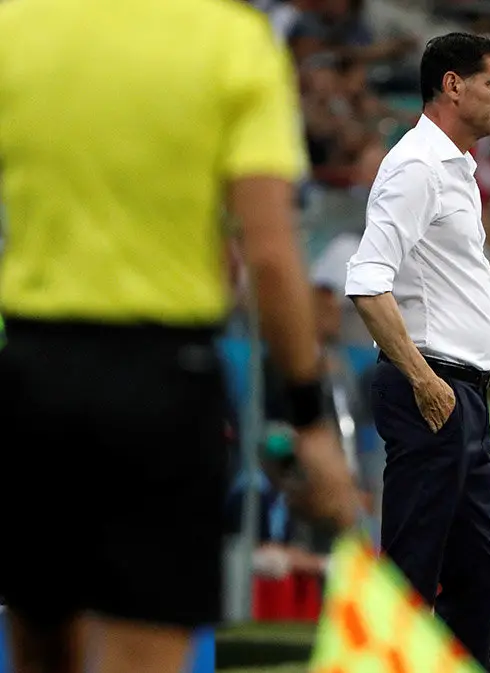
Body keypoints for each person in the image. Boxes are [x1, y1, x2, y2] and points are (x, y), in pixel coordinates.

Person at [0, 3, 358, 673]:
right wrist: (308, 417)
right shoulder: (230, 42)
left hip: (31, 371)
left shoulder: (15, 27)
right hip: (162, 379)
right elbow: (272, 257)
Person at [344, 32, 490, 667]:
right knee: (412, 572)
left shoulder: (454, 167)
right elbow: (366, 281)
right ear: (452, 84)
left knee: (478, 576)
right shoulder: (417, 166)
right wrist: (423, 379)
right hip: (433, 387)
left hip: (459, 391)